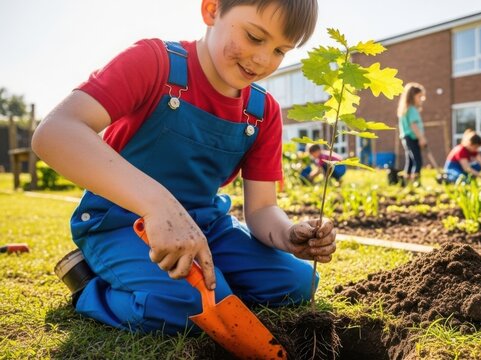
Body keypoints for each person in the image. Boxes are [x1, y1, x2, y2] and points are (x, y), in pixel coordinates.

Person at [32, 0, 335, 350]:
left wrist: (287, 234)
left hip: (207, 228)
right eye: (254, 37)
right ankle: (90, 288)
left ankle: (210, 282)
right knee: (190, 306)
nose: (263, 60)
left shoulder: (262, 111)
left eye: (281, 50)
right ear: (211, 10)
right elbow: (54, 133)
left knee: (296, 282)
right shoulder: (154, 62)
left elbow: (262, 208)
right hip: (120, 222)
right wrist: (157, 206)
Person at [397, 82, 427, 183]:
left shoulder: (406, 109)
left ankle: (406, 182)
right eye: (419, 96)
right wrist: (421, 138)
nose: (421, 99)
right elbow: (413, 125)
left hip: (406, 137)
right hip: (412, 137)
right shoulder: (412, 109)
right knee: (418, 161)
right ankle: (416, 183)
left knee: (410, 161)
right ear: (412, 96)